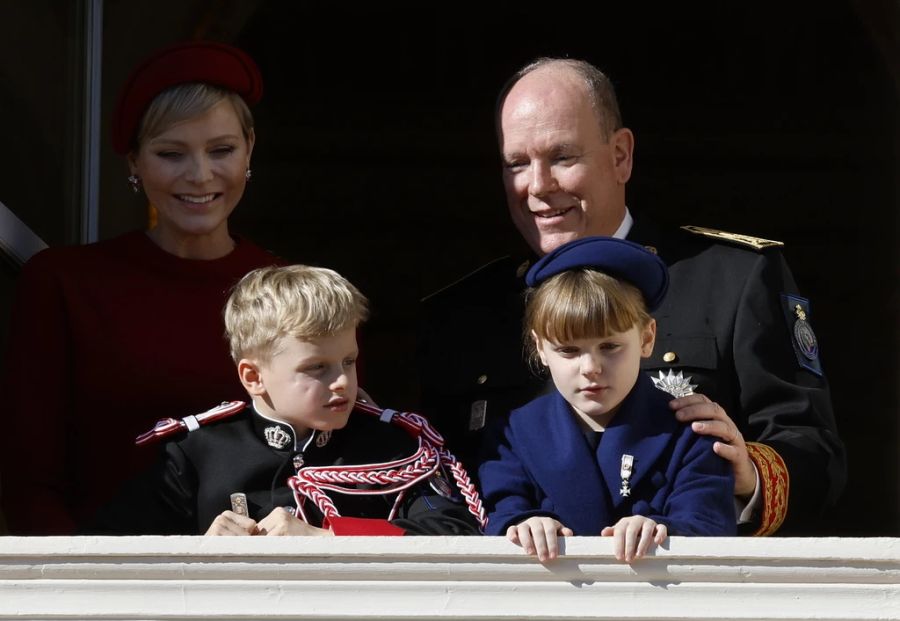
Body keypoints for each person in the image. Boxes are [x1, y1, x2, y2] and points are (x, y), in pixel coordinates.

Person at [420, 57, 846, 536]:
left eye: (562, 157)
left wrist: (745, 473)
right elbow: (432, 480)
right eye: (517, 163)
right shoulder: (464, 312)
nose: (538, 187)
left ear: (621, 155)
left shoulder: (733, 277)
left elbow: (815, 452)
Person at [0, 41, 281, 534]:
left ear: (250, 148)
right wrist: (78, 588)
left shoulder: (294, 294)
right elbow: (27, 480)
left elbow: (336, 461)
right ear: (133, 160)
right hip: (100, 583)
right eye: (171, 153)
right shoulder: (65, 284)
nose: (200, 175)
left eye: (222, 150)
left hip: (259, 588)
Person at [87, 264, 484, 536]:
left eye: (348, 361)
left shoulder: (392, 448)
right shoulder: (196, 454)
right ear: (254, 377)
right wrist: (201, 548)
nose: (343, 381)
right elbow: (105, 548)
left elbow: (455, 531)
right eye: (317, 368)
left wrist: (329, 536)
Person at [479, 236, 735, 562]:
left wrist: (665, 531)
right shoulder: (512, 436)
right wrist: (521, 525)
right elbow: (500, 511)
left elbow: (708, 524)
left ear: (647, 338)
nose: (591, 368)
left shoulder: (689, 433)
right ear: (541, 348)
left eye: (610, 347)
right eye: (569, 350)